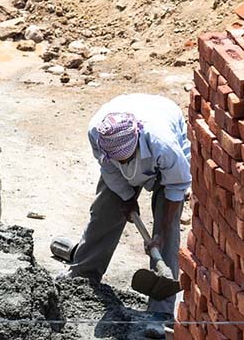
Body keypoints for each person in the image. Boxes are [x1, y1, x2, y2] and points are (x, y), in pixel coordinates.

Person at [59, 94, 191, 338]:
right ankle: (83, 276)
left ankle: (160, 313)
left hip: (165, 145)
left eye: (127, 159)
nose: (123, 162)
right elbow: (109, 168)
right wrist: (127, 200)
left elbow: (177, 187)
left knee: (169, 230)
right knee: (104, 213)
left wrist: (159, 234)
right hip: (123, 129)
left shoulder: (163, 144)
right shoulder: (98, 134)